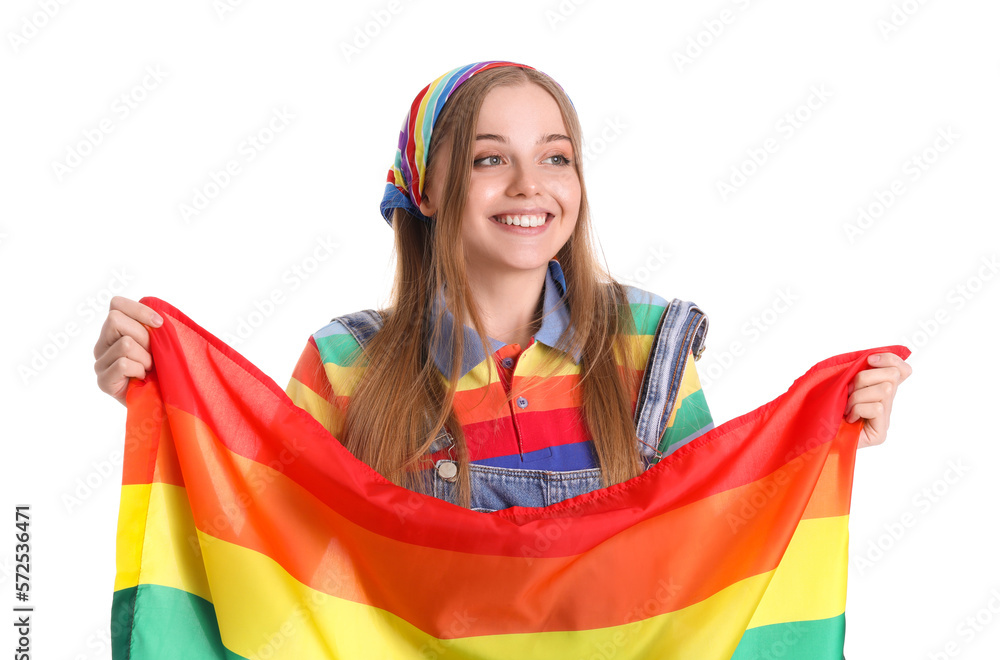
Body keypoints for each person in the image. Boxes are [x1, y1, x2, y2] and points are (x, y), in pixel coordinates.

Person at [92, 60, 911, 514]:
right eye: (491, 158)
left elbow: (717, 533)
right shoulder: (347, 361)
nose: (532, 185)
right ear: (429, 186)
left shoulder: (644, 346)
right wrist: (162, 403)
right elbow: (264, 542)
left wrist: (825, 441)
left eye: (556, 157)